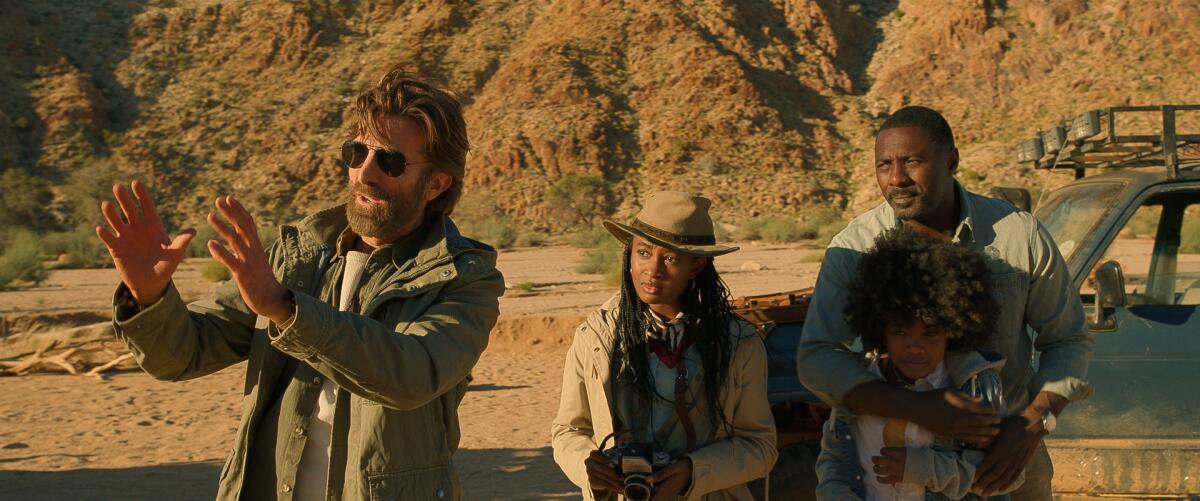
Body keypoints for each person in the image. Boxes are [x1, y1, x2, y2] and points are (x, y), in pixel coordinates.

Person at [96, 66, 504, 500]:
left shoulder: (464, 277)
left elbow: (412, 374)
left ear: (436, 184)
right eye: (356, 152)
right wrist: (149, 297)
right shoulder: (299, 256)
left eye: (389, 161)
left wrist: (287, 310)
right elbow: (183, 355)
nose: (365, 173)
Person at [798, 106, 1093, 499]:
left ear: (951, 160)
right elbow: (817, 356)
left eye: (913, 161)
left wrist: (1031, 425)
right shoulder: (854, 249)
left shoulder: (1017, 236)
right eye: (884, 165)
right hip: (898, 466)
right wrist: (916, 407)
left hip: (1006, 462)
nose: (897, 178)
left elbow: (1067, 339)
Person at [551, 191, 777, 500]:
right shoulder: (596, 337)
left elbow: (760, 447)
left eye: (670, 258)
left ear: (696, 266)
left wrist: (693, 472)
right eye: (643, 252)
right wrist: (587, 465)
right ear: (629, 253)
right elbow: (568, 431)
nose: (653, 269)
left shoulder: (737, 344)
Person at [816, 227, 1022, 500]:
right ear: (880, 330)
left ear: (954, 329)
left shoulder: (974, 387)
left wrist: (923, 468)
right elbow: (832, 458)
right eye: (900, 332)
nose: (914, 346)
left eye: (930, 333)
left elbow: (1008, 478)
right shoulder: (857, 381)